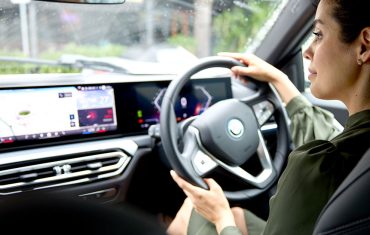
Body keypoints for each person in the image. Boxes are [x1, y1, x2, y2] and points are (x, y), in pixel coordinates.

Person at [167, 0, 370, 234]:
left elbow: (329, 149)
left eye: (318, 34)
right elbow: (331, 135)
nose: (307, 51)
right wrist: (278, 79)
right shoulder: (356, 149)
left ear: (364, 46)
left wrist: (221, 217)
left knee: (192, 209)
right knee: (238, 215)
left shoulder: (320, 166)